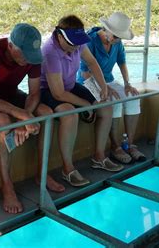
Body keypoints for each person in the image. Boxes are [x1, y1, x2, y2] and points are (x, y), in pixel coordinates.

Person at [0, 23, 65, 214]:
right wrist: (22, 114)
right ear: (11, 46)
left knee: (46, 113)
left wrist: (22, 120)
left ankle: (41, 174)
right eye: (24, 54)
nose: (28, 59)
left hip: (10, 93)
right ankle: (7, 186)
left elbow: (34, 94)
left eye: (31, 55)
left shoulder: (33, 57)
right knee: (2, 122)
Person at [41, 15, 123, 188]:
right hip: (48, 91)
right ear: (60, 36)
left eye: (79, 43)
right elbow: (58, 93)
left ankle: (99, 157)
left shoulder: (77, 42)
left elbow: (92, 62)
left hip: (70, 86)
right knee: (70, 114)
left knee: (106, 107)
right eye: (73, 44)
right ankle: (68, 168)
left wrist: (103, 87)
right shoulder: (50, 51)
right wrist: (86, 105)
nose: (76, 48)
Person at [78, 12, 145, 164]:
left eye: (119, 37)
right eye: (114, 36)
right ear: (105, 29)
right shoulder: (90, 41)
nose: (115, 40)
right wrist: (104, 88)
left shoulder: (117, 43)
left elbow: (122, 63)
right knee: (113, 100)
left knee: (133, 97)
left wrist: (127, 84)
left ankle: (129, 144)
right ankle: (115, 147)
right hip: (88, 82)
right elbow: (85, 72)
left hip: (109, 80)